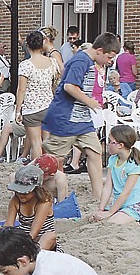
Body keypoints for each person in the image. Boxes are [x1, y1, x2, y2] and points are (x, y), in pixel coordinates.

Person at [42, 33, 120, 200]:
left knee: (95, 152)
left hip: (82, 119)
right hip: (65, 118)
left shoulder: (89, 61)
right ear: (99, 50)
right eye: (109, 57)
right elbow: (69, 86)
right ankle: (42, 196)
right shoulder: (81, 61)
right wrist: (90, 102)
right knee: (54, 162)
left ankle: (98, 197)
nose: (110, 61)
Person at [0, 165, 59, 260]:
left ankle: (30, 259)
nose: (21, 195)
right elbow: (8, 225)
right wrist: (4, 239)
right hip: (21, 237)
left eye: (25, 192)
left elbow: (34, 233)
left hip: (39, 240)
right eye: (18, 191)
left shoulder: (44, 202)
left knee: (50, 236)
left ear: (36, 189)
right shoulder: (16, 200)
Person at [12, 31, 58, 160]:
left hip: (31, 107)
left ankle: (37, 171)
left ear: (28, 45)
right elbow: (54, 84)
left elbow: (21, 89)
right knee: (47, 142)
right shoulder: (52, 62)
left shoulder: (25, 65)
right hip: (49, 105)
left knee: (36, 143)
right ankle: (51, 169)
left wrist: (17, 110)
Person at [89, 125, 140, 224]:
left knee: (113, 222)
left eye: (110, 142)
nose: (108, 144)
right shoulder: (113, 159)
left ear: (120, 145)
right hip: (120, 203)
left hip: (136, 203)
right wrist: (101, 209)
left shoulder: (134, 164)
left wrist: (110, 212)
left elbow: (126, 193)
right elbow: (107, 187)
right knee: (94, 218)